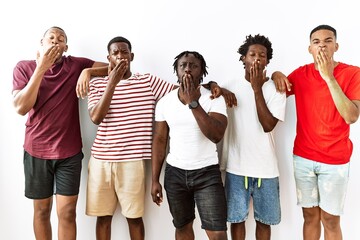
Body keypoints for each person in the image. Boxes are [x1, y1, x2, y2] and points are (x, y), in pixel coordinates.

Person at [83, 37, 228, 240]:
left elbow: (185, 90)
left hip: (135, 160)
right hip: (102, 159)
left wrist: (214, 85)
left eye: (124, 52)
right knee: (103, 217)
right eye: (115, 53)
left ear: (131, 56)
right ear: (109, 58)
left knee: (134, 218)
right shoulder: (97, 84)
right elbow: (96, 118)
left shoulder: (149, 82)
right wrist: (107, 80)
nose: (120, 56)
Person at [12, 26, 108, 240]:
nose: (56, 41)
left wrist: (88, 71)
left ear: (66, 47)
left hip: (69, 153)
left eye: (61, 39)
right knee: (42, 211)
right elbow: (20, 107)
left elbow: (112, 68)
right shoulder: (24, 67)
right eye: (51, 38)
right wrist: (41, 68)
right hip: (36, 151)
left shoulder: (75, 65)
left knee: (66, 213)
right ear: (42, 43)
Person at [272, 24, 360, 240]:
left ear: (336, 46)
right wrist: (276, 73)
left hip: (335, 160)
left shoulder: (352, 73)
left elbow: (351, 116)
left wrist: (328, 77)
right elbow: (280, 86)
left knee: (330, 220)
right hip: (303, 158)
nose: (322, 46)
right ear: (309, 48)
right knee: (310, 216)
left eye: (328, 41)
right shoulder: (301, 74)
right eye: (316, 42)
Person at [151, 50, 228, 240]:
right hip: (175, 174)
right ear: (176, 71)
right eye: (183, 65)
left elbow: (216, 135)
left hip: (207, 174)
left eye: (193, 66)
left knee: (217, 234)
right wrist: (154, 179)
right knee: (182, 228)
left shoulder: (214, 98)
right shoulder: (165, 102)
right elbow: (160, 140)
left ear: (202, 72)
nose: (187, 69)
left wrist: (193, 103)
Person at [221, 34, 286, 240]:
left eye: (262, 55)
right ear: (243, 58)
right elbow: (207, 90)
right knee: (236, 220)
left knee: (264, 222)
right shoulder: (231, 84)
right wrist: (218, 87)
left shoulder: (276, 89)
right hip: (236, 167)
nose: (257, 59)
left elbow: (268, 125)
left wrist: (257, 88)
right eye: (252, 54)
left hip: (266, 169)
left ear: (268, 60)